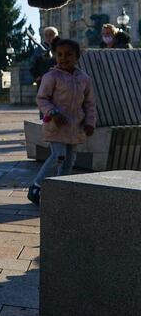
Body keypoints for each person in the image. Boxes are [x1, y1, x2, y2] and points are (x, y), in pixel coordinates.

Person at [28, 39, 96, 204]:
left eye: (68, 54)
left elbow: (89, 103)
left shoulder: (84, 78)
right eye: (59, 54)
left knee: (69, 160)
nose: (63, 58)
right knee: (58, 156)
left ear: (77, 57)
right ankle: (37, 186)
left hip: (75, 127)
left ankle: (60, 186)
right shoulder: (51, 76)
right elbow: (42, 99)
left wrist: (90, 122)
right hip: (56, 125)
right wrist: (53, 112)